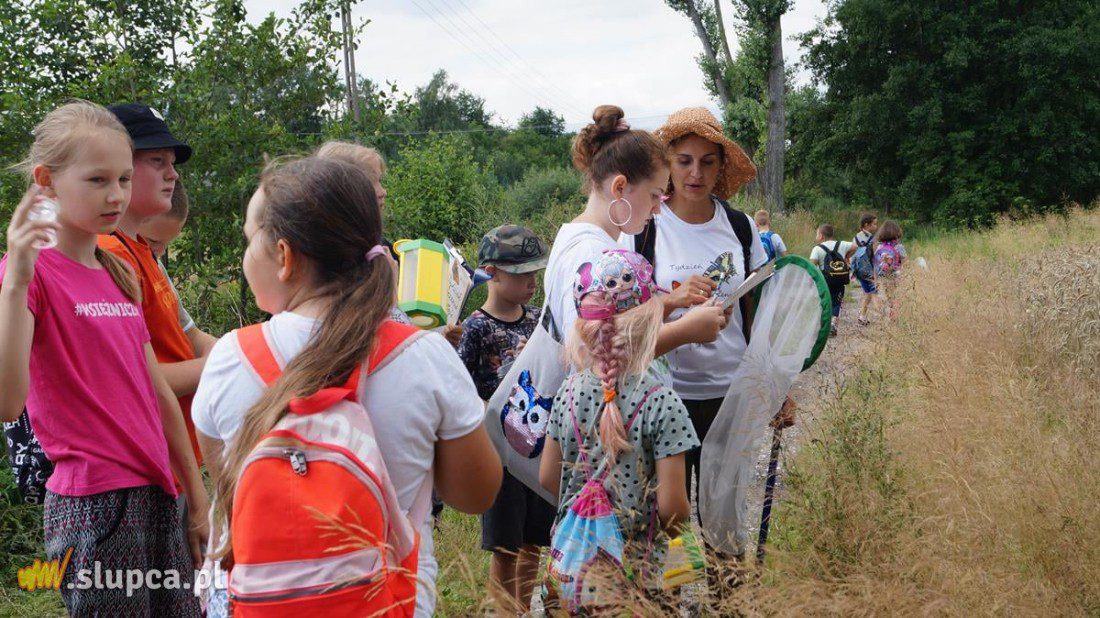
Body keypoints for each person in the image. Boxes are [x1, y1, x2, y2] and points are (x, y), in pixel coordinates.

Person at [192, 155, 501, 617]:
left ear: (284, 256)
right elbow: (475, 495)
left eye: (248, 240)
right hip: (387, 602)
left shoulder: (230, 358)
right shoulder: (423, 357)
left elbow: (225, 480)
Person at [0, 101, 205, 615]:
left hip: (158, 491)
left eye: (120, 178)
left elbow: (155, 392)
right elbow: (7, 402)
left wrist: (196, 493)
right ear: (45, 181)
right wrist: (16, 281)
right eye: (96, 180)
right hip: (94, 505)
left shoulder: (118, 271)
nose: (115, 196)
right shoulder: (29, 273)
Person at [622, 107, 771, 510]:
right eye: (684, 161)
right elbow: (621, 316)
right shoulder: (643, 229)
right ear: (667, 165)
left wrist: (772, 383)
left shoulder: (740, 227)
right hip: (663, 395)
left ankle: (729, 577)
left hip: (729, 395)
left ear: (721, 166)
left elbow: (753, 308)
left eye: (707, 162)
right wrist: (673, 298)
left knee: (725, 521)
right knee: (665, 525)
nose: (696, 174)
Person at [540, 250, 697, 605]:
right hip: (641, 580)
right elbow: (673, 509)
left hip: (573, 572)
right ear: (648, 322)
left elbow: (548, 477)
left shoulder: (567, 392)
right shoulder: (662, 401)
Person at [546, 105, 728, 367]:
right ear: (620, 187)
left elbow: (612, 322)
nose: (657, 209)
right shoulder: (592, 256)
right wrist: (684, 331)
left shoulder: (577, 235)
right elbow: (590, 356)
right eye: (654, 195)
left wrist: (667, 303)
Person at [97, 103, 208, 472]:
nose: (172, 175)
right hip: (141, 466)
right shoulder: (110, 255)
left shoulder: (141, 250)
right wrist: (232, 364)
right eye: (157, 161)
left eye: (172, 163)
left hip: (170, 461)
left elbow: (188, 337)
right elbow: (138, 378)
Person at [457, 224, 555, 613]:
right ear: (491, 273)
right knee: (504, 547)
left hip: (538, 450)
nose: (531, 282)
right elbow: (461, 389)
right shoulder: (476, 328)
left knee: (534, 540)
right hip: (499, 457)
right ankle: (504, 611)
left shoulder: (538, 320)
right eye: (521, 274)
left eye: (535, 273)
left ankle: (523, 607)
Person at [139, 178, 217, 356]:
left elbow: (191, 335)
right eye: (153, 241)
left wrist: (232, 352)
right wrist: (213, 367)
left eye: (168, 243)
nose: (160, 251)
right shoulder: (122, 267)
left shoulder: (155, 264)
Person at [810, 224, 857, 337]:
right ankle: (833, 324)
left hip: (824, 281)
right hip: (839, 279)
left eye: (817, 234)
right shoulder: (842, 244)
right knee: (837, 302)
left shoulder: (817, 248)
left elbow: (811, 265)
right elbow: (855, 246)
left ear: (821, 236)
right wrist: (846, 257)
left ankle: (822, 325)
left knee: (824, 301)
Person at [872, 219, 907, 321]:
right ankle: (894, 318)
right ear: (897, 232)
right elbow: (905, 261)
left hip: (883, 276)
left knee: (886, 297)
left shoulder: (879, 247)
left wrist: (875, 279)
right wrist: (902, 273)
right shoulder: (899, 246)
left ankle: (884, 317)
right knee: (896, 297)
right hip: (896, 275)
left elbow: (875, 264)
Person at [852, 213, 879, 325]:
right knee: (874, 293)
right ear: (867, 225)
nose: (876, 226)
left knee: (867, 293)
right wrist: (876, 273)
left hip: (858, 270)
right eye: (874, 224)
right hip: (869, 271)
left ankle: (862, 317)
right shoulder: (872, 239)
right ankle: (882, 317)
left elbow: (852, 254)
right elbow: (875, 257)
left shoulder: (856, 237)